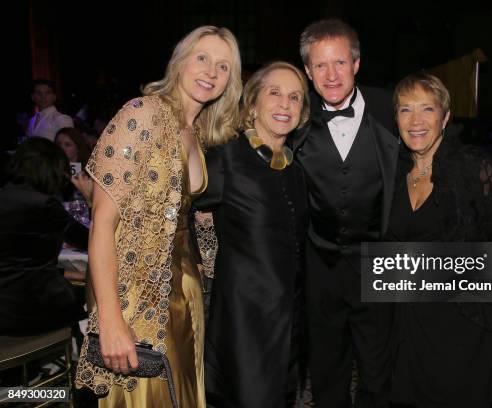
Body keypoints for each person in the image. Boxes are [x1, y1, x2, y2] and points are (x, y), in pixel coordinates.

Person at [291, 19, 492, 407]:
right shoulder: (292, 116)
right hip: (321, 271)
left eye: (340, 63)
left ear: (357, 63)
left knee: (381, 375)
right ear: (308, 72)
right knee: (328, 374)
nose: (331, 75)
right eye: (320, 65)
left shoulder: (388, 107)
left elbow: (469, 188)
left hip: (385, 274)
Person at [74, 25, 242, 408]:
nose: (210, 72)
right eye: (202, 58)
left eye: (223, 66)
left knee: (178, 394)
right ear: (180, 61)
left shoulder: (194, 130)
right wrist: (111, 319)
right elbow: (102, 222)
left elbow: (187, 213)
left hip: (182, 293)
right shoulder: (143, 114)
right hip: (135, 294)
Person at [385, 72, 492, 407]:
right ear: (396, 118)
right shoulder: (393, 173)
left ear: (446, 116)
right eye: (405, 110)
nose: (416, 121)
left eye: (427, 109)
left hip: (465, 320)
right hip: (412, 322)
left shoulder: (472, 165)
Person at [192, 61, 310, 408]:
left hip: (290, 319)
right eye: (274, 93)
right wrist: (195, 263)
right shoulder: (227, 157)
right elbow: (178, 206)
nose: (285, 104)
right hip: (245, 320)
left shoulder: (294, 169)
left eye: (295, 97)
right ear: (253, 103)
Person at [0, 138, 88, 335]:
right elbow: (91, 241)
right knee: (94, 297)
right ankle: (80, 360)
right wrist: (91, 201)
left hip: (4, 309)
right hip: (35, 308)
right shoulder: (44, 206)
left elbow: (16, 262)